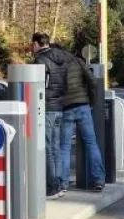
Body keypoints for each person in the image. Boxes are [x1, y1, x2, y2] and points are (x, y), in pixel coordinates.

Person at [58, 43, 106, 192]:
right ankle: (98, 180)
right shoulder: (78, 61)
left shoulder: (56, 65)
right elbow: (92, 81)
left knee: (64, 147)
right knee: (91, 143)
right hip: (83, 106)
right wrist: (92, 101)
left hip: (65, 108)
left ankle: (64, 183)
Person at [31, 33, 69, 198]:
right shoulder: (61, 58)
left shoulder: (40, 60)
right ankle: (60, 184)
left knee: (46, 148)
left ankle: (51, 187)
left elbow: (38, 86)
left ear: (37, 44)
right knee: (55, 147)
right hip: (59, 106)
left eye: (32, 44)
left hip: (46, 107)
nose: (31, 48)